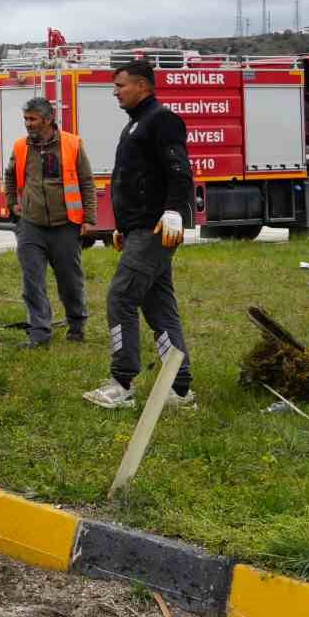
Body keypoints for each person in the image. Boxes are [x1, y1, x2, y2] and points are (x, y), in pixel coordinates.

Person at [83, 59, 197, 410]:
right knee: (159, 308)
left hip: (154, 230)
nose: (115, 92)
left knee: (120, 298)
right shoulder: (134, 125)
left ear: (143, 87)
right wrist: (122, 225)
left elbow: (179, 170)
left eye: (121, 85)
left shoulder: (162, 120)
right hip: (139, 230)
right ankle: (179, 391)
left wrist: (175, 210)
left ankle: (122, 383)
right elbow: (133, 180)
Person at [3, 97, 95, 348]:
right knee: (32, 282)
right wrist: (13, 203)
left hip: (66, 225)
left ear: (48, 119)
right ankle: (39, 334)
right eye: (26, 119)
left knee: (70, 281)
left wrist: (89, 218)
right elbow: (9, 176)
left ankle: (76, 326)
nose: (28, 124)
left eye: (32, 119)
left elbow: (87, 181)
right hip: (30, 225)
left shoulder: (72, 144)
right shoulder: (21, 147)